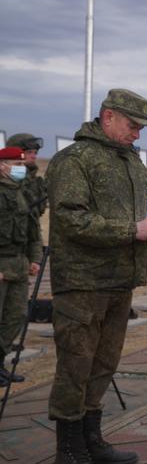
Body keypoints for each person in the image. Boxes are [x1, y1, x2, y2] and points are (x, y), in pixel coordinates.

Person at [47, 88, 147, 464]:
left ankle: (92, 440)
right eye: (133, 125)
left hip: (120, 281)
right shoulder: (75, 160)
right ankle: (69, 449)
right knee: (75, 366)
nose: (137, 133)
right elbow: (70, 219)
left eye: (141, 127)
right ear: (108, 116)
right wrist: (132, 230)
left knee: (103, 365)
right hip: (83, 283)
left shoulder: (131, 162)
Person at [0, 147, 41, 388]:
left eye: (22, 165)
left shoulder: (21, 192)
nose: (21, 169)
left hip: (19, 263)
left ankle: (0, 362)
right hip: (1, 264)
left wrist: (35, 259)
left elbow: (33, 230)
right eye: (16, 164)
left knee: (15, 316)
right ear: (2, 165)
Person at [5, 133, 48, 217]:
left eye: (35, 153)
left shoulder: (35, 180)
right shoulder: (7, 179)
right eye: (29, 152)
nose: (34, 156)